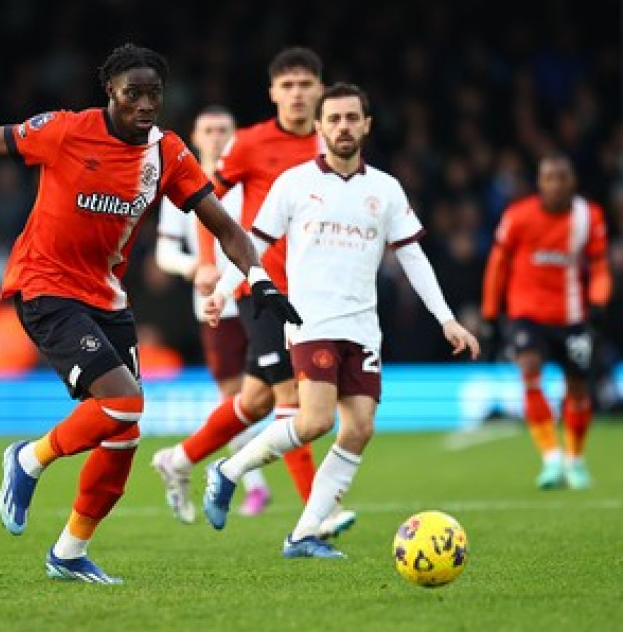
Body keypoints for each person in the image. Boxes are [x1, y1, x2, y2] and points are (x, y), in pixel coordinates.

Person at [0, 43, 301, 583]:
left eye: (153, 94)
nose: (144, 104)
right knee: (123, 401)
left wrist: (258, 279)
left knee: (125, 434)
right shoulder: (66, 130)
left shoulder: (168, 154)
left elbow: (226, 228)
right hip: (45, 287)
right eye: (132, 93)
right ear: (110, 92)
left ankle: (69, 552)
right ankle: (28, 459)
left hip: (107, 298)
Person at [200, 83, 480, 557]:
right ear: (319, 127)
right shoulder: (293, 183)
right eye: (334, 119)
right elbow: (255, 244)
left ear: (366, 125)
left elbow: (413, 258)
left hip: (363, 327)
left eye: (352, 118)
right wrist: (223, 290)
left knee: (360, 428)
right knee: (314, 420)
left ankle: (304, 534)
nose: (343, 127)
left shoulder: (386, 189)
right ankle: (228, 471)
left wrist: (447, 320)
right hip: (311, 320)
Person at [151, 47, 355, 537]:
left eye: (306, 84)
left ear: (321, 90)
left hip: (315, 293)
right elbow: (205, 202)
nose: (297, 94)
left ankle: (179, 460)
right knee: (294, 400)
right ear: (272, 93)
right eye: (287, 85)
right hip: (261, 288)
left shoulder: (334, 146)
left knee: (256, 401)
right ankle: (317, 514)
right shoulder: (249, 144)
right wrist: (205, 264)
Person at [154, 105, 273, 517]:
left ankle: (212, 466)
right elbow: (165, 251)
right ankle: (252, 484)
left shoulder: (245, 184)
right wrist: (193, 266)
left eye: (224, 128)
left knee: (270, 393)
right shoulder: (180, 188)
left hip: (256, 299)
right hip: (215, 308)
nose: (217, 136)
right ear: (195, 135)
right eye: (208, 129)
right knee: (233, 398)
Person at [481, 154, 612, 490]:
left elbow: (598, 267)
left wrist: (598, 300)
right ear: (539, 182)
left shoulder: (588, 217)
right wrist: (491, 312)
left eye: (562, 177)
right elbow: (498, 264)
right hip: (527, 314)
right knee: (529, 369)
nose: (556, 184)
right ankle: (551, 459)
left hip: (571, 317)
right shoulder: (518, 216)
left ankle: (575, 460)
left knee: (579, 390)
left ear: (573, 181)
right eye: (549, 177)